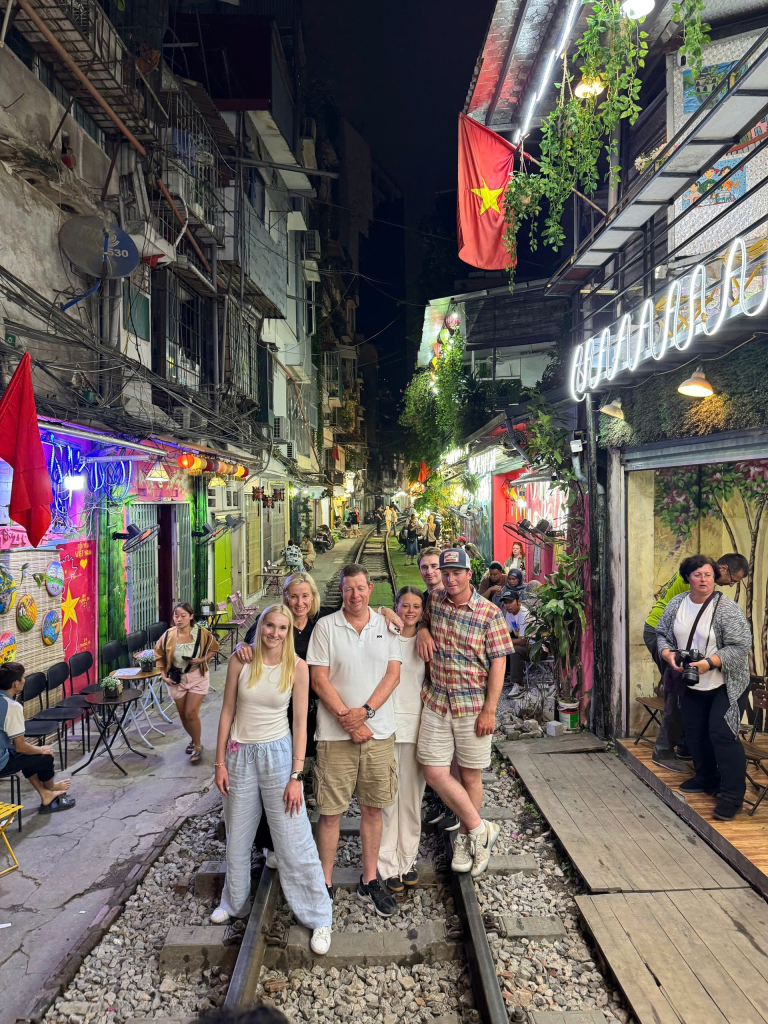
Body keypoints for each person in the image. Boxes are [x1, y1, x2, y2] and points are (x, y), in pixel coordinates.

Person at [211, 604, 333, 954]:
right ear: (260, 627)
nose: (275, 633)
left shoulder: (297, 667)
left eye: (282, 628)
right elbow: (227, 712)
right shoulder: (241, 660)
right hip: (239, 755)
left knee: (293, 836)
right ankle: (233, 903)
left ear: (288, 632)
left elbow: (299, 723)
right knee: (238, 834)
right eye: (269, 626)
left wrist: (296, 775)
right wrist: (219, 762)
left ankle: (319, 914)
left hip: (277, 756)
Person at [306, 563, 402, 917]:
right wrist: (349, 720)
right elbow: (319, 679)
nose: (355, 595)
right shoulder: (325, 627)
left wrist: (366, 712)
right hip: (334, 737)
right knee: (330, 812)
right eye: (349, 589)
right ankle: (325, 882)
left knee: (373, 809)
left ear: (371, 588)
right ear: (342, 591)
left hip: (378, 732)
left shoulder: (387, 625)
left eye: (361, 588)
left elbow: (393, 675)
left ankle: (370, 878)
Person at [416, 548, 514, 877]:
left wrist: (490, 710)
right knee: (434, 772)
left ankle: (464, 837)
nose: (451, 578)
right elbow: (422, 621)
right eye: (446, 573)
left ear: (470, 574)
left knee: (470, 775)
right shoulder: (436, 601)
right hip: (436, 701)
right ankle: (479, 828)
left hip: (472, 707)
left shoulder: (489, 613)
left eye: (457, 572)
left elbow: (500, 662)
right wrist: (424, 630)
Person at [656, 554, 752, 822]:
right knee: (695, 733)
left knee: (722, 734)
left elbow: (740, 645)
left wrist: (709, 663)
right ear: (688, 577)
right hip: (692, 682)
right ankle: (706, 777)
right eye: (698, 575)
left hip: (725, 682)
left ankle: (732, 797)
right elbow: (662, 633)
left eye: (708, 575)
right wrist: (667, 654)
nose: (704, 579)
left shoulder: (725, 608)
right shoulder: (677, 603)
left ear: (715, 577)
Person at [378, 586, 427, 894]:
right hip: (384, 726)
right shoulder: (384, 634)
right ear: (395, 606)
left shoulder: (426, 641)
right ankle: (386, 864)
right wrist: (382, 611)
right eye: (404, 605)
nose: (410, 611)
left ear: (423, 611)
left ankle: (407, 860)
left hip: (415, 728)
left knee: (410, 799)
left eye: (416, 606)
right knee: (386, 800)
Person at [0, 662, 75, 812]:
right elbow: (20, 746)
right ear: (16, 684)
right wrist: (41, 750)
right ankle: (51, 788)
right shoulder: (12, 707)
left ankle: (45, 793)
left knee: (29, 756)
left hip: (5, 750)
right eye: (23, 678)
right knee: (45, 757)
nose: (24, 680)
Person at [155, 604, 220, 764]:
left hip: (197, 676)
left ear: (191, 616)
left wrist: (202, 659)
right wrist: (163, 675)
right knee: (184, 716)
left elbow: (214, 648)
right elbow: (159, 654)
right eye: (176, 616)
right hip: (177, 679)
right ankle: (193, 739)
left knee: (191, 713)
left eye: (183, 616)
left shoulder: (202, 633)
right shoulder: (168, 636)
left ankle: (198, 746)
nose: (179, 619)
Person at [499, 586, 530, 690]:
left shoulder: (524, 615)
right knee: (499, 646)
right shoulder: (509, 613)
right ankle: (506, 676)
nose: (507, 605)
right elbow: (506, 632)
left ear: (519, 601)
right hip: (524, 645)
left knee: (514, 650)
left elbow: (523, 641)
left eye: (510, 602)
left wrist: (506, 642)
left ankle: (519, 685)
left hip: (535, 649)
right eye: (505, 603)